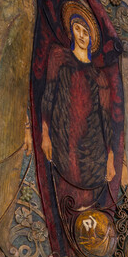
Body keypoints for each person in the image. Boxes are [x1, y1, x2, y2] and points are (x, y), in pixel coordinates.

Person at [40, 11, 116, 211]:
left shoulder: (99, 77)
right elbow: (48, 95)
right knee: (63, 194)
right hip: (63, 138)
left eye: (86, 32)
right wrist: (45, 132)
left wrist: (110, 157)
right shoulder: (59, 57)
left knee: (86, 201)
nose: (82, 35)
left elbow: (106, 120)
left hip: (92, 147)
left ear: (91, 39)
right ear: (71, 31)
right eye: (78, 29)